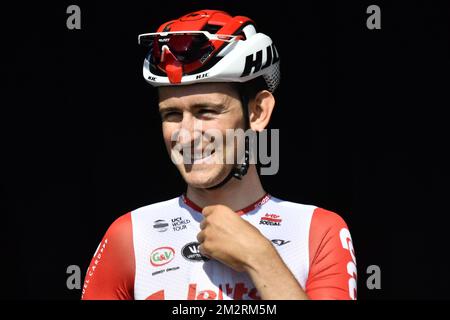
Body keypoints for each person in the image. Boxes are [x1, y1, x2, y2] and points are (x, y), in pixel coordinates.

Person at [81, 9, 357, 300]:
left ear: (258, 112)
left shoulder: (318, 230)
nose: (186, 134)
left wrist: (260, 258)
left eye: (207, 112)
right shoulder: (130, 235)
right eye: (172, 114)